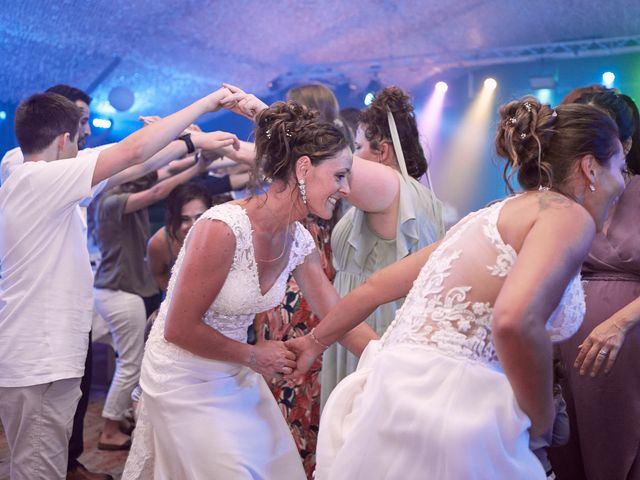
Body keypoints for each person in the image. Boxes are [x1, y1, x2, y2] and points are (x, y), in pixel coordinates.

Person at [286, 96, 627, 479]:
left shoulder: (489, 215)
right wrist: (539, 420)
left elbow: (375, 287)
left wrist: (315, 341)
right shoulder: (566, 216)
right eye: (621, 166)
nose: (623, 182)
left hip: (392, 392)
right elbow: (514, 320)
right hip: (455, 410)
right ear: (590, 168)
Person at [122, 100, 377, 479]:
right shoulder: (222, 228)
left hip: (236, 371)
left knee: (275, 466)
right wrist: (254, 356)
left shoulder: (298, 239)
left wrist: (387, 358)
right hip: (182, 375)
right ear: (304, 168)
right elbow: (177, 328)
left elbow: (336, 313)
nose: (347, 188)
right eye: (340, 176)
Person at [0, 87, 237, 479]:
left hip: (37, 358)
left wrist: (189, 144)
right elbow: (130, 153)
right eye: (79, 137)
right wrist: (206, 107)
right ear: (64, 141)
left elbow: (128, 165)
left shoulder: (31, 176)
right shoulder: (38, 182)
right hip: (38, 361)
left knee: (34, 462)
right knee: (36, 469)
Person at [320, 85, 444, 405]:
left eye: (358, 146)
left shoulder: (392, 189)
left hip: (371, 319)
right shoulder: (417, 195)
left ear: (383, 151)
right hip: (380, 315)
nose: (353, 154)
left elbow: (329, 165)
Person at [93, 153, 218, 450]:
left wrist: (183, 151)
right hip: (119, 290)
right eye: (185, 218)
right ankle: (110, 427)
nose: (191, 224)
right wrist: (199, 164)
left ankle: (121, 416)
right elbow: (158, 191)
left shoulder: (123, 193)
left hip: (123, 290)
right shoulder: (110, 200)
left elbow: (161, 173)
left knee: (131, 362)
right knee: (131, 364)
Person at [253, 83, 347, 477]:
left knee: (297, 376)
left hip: (304, 283)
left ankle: (297, 459)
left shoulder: (329, 167)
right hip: (290, 282)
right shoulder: (293, 181)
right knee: (286, 373)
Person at [551, 89, 640, 480]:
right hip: (567, 351)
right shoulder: (568, 200)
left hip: (629, 347)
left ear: (626, 144)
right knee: (566, 450)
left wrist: (619, 323)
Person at [147, 182, 213, 292]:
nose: (194, 225)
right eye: (184, 219)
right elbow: (158, 273)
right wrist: (172, 297)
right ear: (172, 219)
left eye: (200, 217)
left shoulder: (223, 234)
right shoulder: (159, 243)